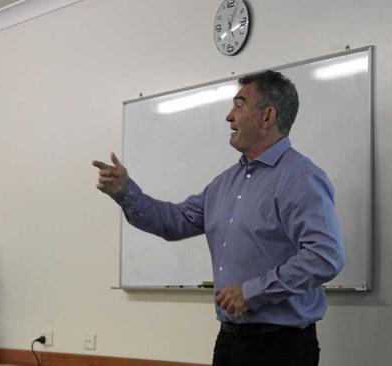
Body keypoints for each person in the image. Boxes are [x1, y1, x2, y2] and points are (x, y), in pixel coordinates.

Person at [93, 70, 344, 366]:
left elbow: (325, 256)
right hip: (230, 341)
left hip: (281, 347)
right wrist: (125, 192)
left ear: (267, 117)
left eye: (239, 105)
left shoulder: (300, 178)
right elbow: (173, 221)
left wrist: (252, 292)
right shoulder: (224, 184)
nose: (228, 116)